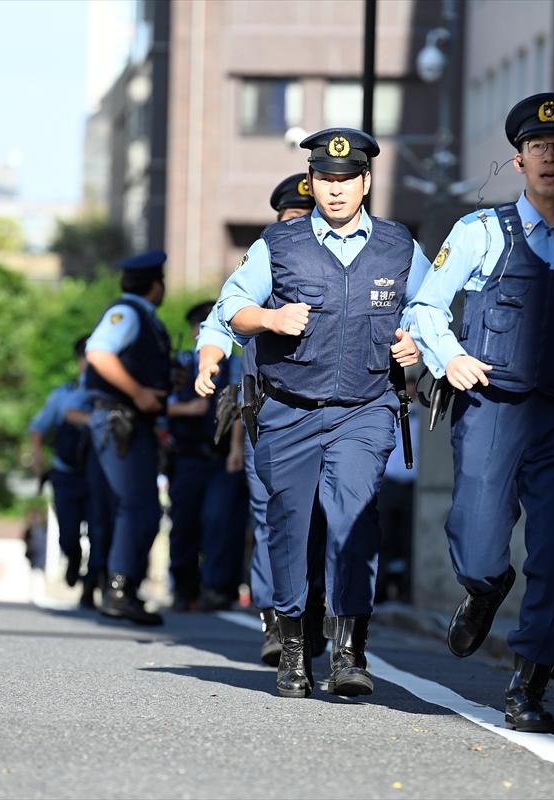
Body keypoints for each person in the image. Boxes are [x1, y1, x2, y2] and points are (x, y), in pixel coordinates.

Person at [404, 93, 554, 733]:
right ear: (519, 160)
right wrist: (449, 357)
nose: (549, 157)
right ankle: (485, 589)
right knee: (479, 541)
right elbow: (425, 308)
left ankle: (529, 682)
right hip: (491, 407)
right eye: (538, 148)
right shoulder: (479, 232)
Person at [213, 128, 427, 698]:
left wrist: (418, 345)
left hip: (365, 408)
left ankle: (350, 651)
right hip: (289, 411)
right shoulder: (279, 246)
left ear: (366, 182)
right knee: (288, 527)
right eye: (325, 181)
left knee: (354, 518)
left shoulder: (398, 245)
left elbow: (430, 311)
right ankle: (292, 645)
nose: (335, 191)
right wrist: (270, 319)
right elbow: (231, 305)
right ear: (312, 182)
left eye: (345, 180)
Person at [195, 172, 329, 666]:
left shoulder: (343, 259)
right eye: (288, 218)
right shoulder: (265, 260)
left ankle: (312, 612)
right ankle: (278, 620)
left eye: (304, 216)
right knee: (273, 517)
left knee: (326, 517)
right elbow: (219, 319)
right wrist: (209, 358)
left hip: (333, 414)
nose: (296, 225)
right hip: (266, 413)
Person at [85, 251, 172, 626]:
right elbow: (99, 353)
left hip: (133, 422)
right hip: (121, 419)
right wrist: (138, 393)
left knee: (144, 509)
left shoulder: (145, 319)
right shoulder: (128, 314)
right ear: (156, 285)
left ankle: (125, 587)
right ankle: (118, 589)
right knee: (136, 506)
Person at [166, 300, 249, 612]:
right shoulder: (182, 365)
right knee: (184, 524)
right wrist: (187, 408)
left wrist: (236, 450)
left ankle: (217, 588)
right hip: (187, 456)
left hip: (221, 456)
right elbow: (160, 404)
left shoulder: (236, 364)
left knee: (221, 522)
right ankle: (184, 588)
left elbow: (242, 407)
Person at [28, 336, 110, 607]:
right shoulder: (64, 395)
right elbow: (39, 427)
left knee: (99, 531)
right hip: (66, 474)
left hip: (98, 475)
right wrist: (38, 460)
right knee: (69, 533)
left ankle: (90, 586)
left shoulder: (110, 394)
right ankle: (73, 558)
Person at [376, 371, 420, 603]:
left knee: (408, 540)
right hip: (390, 483)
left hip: (413, 486)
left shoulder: (421, 419)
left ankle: (405, 591)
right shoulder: (391, 415)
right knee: (383, 538)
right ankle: (380, 589)